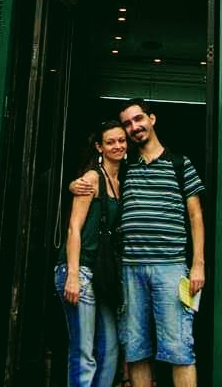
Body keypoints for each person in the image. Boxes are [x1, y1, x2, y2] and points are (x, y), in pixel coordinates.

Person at [73, 99, 205, 387]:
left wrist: (198, 265)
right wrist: (74, 184)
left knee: (180, 348)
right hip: (130, 270)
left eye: (138, 119)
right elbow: (97, 178)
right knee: (135, 350)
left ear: (152, 119)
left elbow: (195, 216)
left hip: (171, 269)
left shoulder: (180, 164)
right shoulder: (126, 165)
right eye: (128, 123)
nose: (134, 127)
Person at [54, 120, 127, 387]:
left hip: (103, 275)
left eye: (121, 140)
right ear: (100, 147)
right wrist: (72, 274)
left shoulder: (122, 180)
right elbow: (74, 227)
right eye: (110, 142)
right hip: (80, 270)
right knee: (84, 352)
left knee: (109, 351)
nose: (117, 146)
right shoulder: (92, 178)